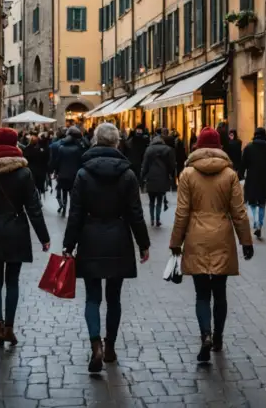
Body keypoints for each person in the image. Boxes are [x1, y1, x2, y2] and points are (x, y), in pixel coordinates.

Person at [63, 123, 150, 373]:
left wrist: (69, 245)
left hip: (90, 238)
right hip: (118, 239)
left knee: (92, 297)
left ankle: (95, 346)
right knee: (114, 298)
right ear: (116, 143)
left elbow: (75, 214)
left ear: (95, 141)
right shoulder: (128, 174)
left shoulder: (83, 174)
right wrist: (143, 244)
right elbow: (135, 213)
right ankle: (110, 346)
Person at [170, 127, 254, 363]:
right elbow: (239, 212)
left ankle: (205, 334)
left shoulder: (187, 174)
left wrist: (176, 242)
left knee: (201, 294)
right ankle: (218, 338)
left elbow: (182, 212)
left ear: (197, 147)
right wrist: (246, 241)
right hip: (222, 235)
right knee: (220, 292)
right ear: (219, 147)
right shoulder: (229, 174)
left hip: (196, 235)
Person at [0, 128, 51, 346]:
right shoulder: (23, 173)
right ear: (15, 143)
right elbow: (34, 207)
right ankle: (9, 328)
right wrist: (44, 236)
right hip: (16, 230)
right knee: (12, 282)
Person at [239, 126, 266, 239]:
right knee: (262, 203)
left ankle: (255, 222)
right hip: (265, 179)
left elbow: (243, 164)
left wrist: (241, 175)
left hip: (252, 178)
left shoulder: (248, 147)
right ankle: (260, 224)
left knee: (252, 202)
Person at [141, 129, 176, 227]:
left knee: (151, 201)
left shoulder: (149, 150)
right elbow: (171, 166)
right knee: (159, 200)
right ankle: (158, 219)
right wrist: (171, 177)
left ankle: (152, 219)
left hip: (151, 178)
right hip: (162, 177)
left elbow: (145, 165)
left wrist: (142, 177)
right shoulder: (167, 149)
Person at [55, 126, 86, 215]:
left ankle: (64, 207)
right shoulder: (78, 149)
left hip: (63, 174)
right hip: (74, 175)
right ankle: (71, 209)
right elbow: (80, 162)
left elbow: (58, 162)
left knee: (64, 192)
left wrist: (57, 172)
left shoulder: (61, 148)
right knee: (72, 193)